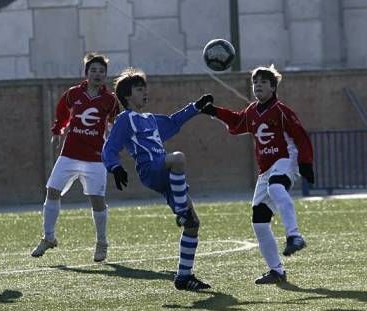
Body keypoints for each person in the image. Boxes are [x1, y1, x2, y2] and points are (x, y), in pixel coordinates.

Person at [200, 64, 314, 284]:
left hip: (285, 160)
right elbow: (236, 121)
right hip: (266, 170)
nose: (258, 85)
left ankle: (294, 235)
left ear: (273, 87)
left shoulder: (281, 110)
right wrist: (214, 111)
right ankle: (277, 271)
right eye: (255, 82)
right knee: (259, 221)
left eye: (263, 82)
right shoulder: (253, 111)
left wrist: (306, 163)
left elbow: (300, 136)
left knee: (276, 187)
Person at [102, 67, 214, 291]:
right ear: (126, 95)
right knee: (179, 158)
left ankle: (183, 277)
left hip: (166, 175)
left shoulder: (150, 119)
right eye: (139, 89)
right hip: (150, 169)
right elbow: (109, 149)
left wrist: (196, 107)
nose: (145, 92)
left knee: (194, 224)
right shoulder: (126, 119)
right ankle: (182, 212)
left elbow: (173, 122)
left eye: (145, 88)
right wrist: (115, 167)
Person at [30, 52, 119, 262]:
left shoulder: (110, 100)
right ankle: (48, 238)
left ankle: (101, 243)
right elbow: (62, 112)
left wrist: (113, 140)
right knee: (52, 191)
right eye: (93, 70)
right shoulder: (73, 94)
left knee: (97, 200)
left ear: (105, 75)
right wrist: (57, 131)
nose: (97, 74)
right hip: (69, 154)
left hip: (95, 158)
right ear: (86, 73)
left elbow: (115, 124)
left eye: (101, 71)